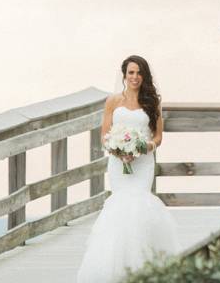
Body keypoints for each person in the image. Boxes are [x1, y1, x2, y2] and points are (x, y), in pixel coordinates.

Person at [75, 55, 179, 282]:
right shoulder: (113, 101)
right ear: (124, 75)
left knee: (139, 204)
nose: (135, 77)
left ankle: (144, 265)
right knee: (120, 206)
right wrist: (117, 150)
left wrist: (143, 148)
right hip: (118, 163)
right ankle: (116, 268)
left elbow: (158, 136)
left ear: (145, 76)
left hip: (143, 163)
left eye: (139, 72)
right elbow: (104, 134)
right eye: (131, 72)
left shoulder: (152, 102)